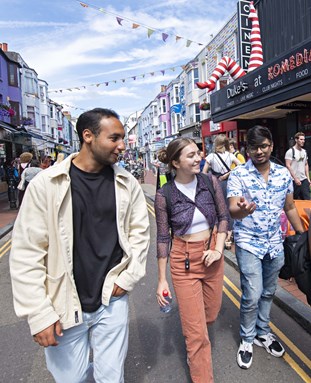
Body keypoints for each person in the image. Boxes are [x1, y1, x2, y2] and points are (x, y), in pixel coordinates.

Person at [10, 108, 150, 383]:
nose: (122, 145)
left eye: (122, 138)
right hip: (63, 302)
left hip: (112, 299)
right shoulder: (46, 185)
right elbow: (27, 252)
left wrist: (129, 276)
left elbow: (140, 233)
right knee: (71, 379)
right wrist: (39, 314)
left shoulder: (126, 182)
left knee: (110, 378)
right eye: (115, 138)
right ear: (88, 136)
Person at [227, 125, 305, 370]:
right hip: (248, 241)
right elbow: (232, 209)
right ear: (247, 149)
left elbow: (290, 207)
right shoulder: (238, 174)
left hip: (275, 242)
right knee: (252, 294)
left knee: (269, 292)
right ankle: (247, 339)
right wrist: (242, 210)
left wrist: (304, 236)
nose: (259, 151)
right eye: (253, 147)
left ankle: (263, 332)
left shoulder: (283, 174)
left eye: (263, 146)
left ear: (271, 146)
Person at [154, 137, 229, 383]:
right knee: (196, 333)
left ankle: (196, 336)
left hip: (211, 257)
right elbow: (163, 237)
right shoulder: (164, 194)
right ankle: (201, 373)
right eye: (191, 155)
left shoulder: (210, 182)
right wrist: (162, 280)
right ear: (175, 162)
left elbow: (222, 216)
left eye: (198, 153)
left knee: (210, 315)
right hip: (182, 261)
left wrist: (218, 249)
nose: (198, 158)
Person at [202, 134, 241, 249]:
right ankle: (229, 235)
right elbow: (240, 166)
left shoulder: (211, 156)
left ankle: (221, 235)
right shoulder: (230, 155)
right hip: (229, 183)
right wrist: (227, 174)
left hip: (216, 183)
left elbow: (204, 173)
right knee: (230, 208)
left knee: (219, 209)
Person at [285, 132, 310, 200]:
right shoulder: (290, 152)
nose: (303, 141)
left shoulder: (304, 152)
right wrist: (295, 178)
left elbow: (306, 164)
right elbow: (288, 165)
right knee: (295, 200)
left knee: (307, 199)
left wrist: (308, 178)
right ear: (296, 140)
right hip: (294, 180)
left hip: (303, 179)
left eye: (304, 140)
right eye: (301, 139)